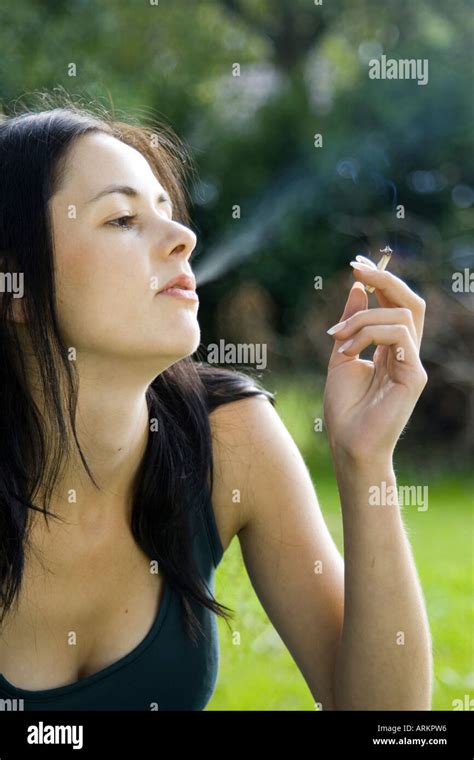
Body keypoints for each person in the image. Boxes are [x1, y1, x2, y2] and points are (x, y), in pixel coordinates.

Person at [0, 95, 432, 711]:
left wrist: (367, 461)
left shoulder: (231, 437)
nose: (183, 237)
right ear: (13, 287)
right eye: (122, 219)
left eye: (166, 210)